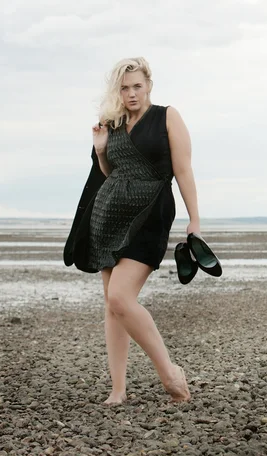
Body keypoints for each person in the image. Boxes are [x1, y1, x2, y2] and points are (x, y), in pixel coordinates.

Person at [90, 57, 200, 405]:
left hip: (152, 212)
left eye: (137, 86)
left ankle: (170, 372)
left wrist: (194, 219)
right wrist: (101, 149)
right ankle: (118, 389)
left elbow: (183, 171)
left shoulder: (168, 116)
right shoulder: (113, 122)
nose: (131, 93)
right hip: (109, 216)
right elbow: (109, 173)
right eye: (125, 88)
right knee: (112, 305)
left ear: (149, 85)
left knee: (121, 297)